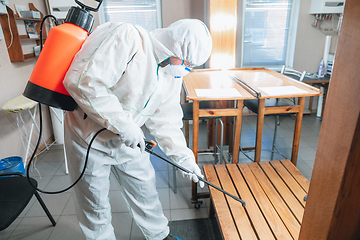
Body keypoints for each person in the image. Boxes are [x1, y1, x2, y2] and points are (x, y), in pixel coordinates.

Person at [63, 19, 212, 240]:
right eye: (188, 62)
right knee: (94, 203)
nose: (187, 69)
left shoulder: (170, 73)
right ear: (175, 46)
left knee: (145, 192)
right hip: (88, 138)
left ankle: (160, 236)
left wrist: (184, 158)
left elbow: (167, 120)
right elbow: (83, 82)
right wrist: (123, 125)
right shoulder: (129, 38)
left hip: (129, 140)